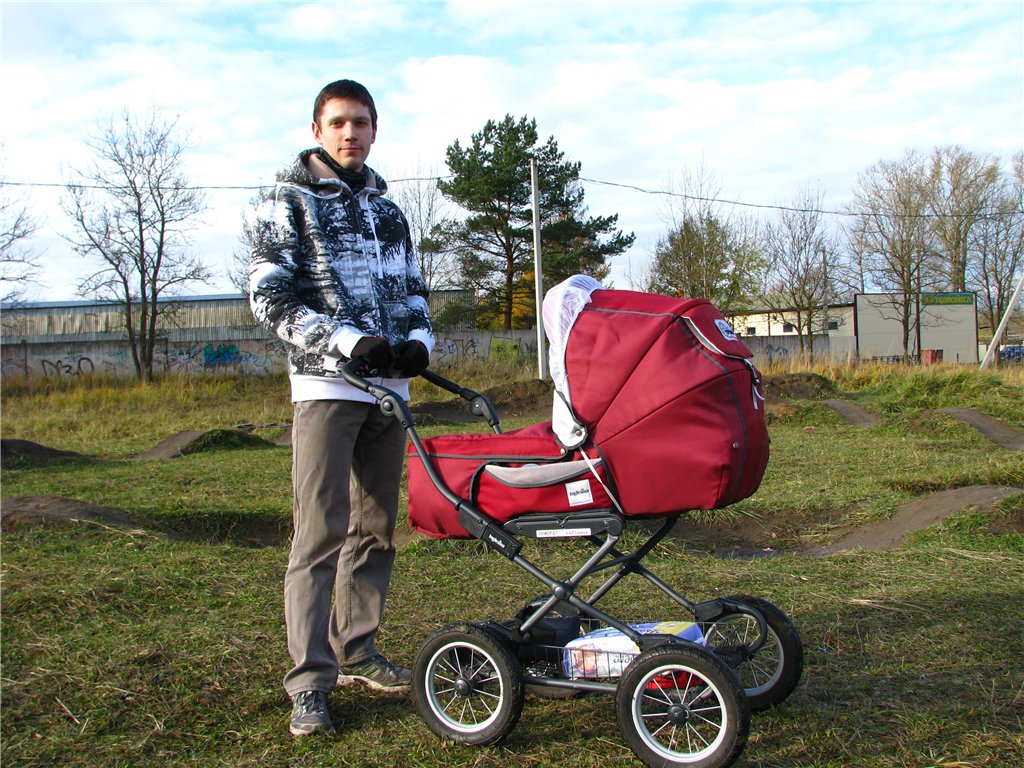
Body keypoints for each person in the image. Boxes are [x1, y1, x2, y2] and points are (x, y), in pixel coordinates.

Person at [248, 78, 433, 738]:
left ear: (375, 129)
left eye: (360, 122)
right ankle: (309, 683)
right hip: (326, 388)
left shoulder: (390, 212)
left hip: (389, 393)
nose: (350, 132)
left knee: (376, 529)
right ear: (317, 130)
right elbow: (269, 299)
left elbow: (413, 289)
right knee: (319, 533)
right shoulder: (285, 202)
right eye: (338, 122)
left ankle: (358, 650)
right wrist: (349, 341)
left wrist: (419, 340)